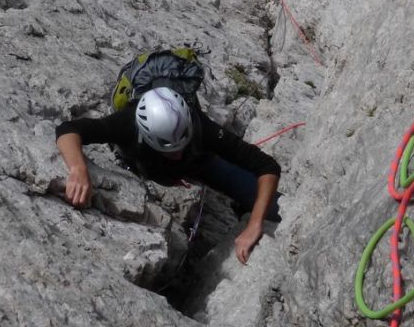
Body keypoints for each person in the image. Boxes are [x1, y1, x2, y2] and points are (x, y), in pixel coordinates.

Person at [56, 87, 280, 264]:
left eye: (181, 144)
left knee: (273, 208)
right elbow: (68, 130)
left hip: (200, 164)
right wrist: (78, 169)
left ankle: (242, 207)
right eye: (168, 148)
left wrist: (255, 223)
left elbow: (266, 166)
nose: (177, 153)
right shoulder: (127, 123)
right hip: (149, 168)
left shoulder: (200, 126)